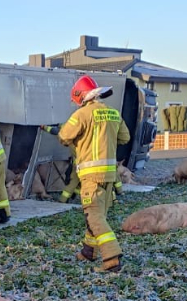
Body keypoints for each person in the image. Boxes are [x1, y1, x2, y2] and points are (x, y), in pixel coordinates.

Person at [59, 74, 130, 274]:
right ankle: (88, 251)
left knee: (94, 217)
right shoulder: (113, 113)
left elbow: (64, 137)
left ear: (81, 96)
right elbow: (125, 138)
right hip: (109, 175)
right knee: (97, 215)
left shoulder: (81, 114)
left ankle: (112, 258)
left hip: (91, 176)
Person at [40, 123, 81, 202]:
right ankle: (75, 197)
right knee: (78, 182)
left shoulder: (68, 133)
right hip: (86, 163)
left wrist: (44, 127)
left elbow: (55, 131)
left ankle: (63, 200)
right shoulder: (80, 133)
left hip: (79, 164)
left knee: (72, 182)